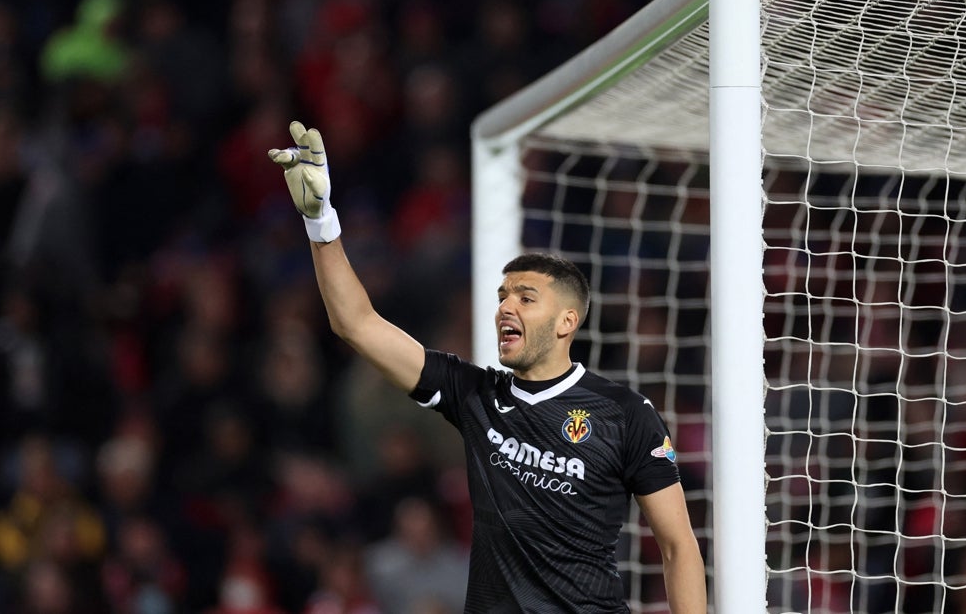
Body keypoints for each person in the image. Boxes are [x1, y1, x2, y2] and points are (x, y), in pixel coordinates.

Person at [268, 122, 707, 613]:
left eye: (525, 297)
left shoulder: (625, 414)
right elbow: (356, 324)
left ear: (567, 321)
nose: (505, 308)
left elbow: (678, 546)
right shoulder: (475, 395)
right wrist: (321, 222)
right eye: (502, 297)